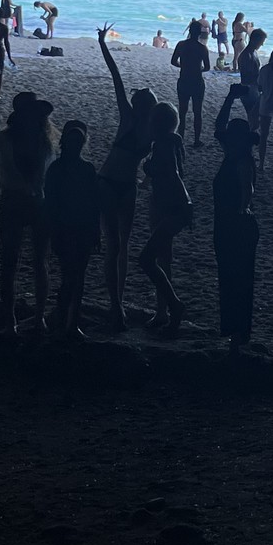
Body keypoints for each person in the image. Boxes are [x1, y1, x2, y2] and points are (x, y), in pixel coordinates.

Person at [0, 96, 56, 334]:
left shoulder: (19, 139)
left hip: (23, 201)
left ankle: (25, 319)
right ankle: (23, 319)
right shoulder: (39, 140)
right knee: (24, 262)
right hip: (28, 201)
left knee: (22, 262)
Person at [96, 22, 156, 332]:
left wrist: (147, 181)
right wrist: (102, 44)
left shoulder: (151, 131)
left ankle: (117, 301)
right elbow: (116, 77)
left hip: (127, 185)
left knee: (122, 246)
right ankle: (115, 304)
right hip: (108, 183)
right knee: (115, 244)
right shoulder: (130, 120)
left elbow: (155, 164)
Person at [213, 86, 260, 353]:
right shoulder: (232, 154)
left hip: (236, 225)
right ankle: (234, 332)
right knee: (229, 277)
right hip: (226, 223)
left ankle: (239, 333)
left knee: (238, 279)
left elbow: (247, 190)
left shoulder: (241, 161)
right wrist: (229, 98)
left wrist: (242, 208)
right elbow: (219, 126)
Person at [138, 101, 191, 334]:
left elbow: (173, 174)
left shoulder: (162, 146)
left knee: (148, 259)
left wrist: (185, 202)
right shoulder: (172, 142)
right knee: (163, 259)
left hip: (167, 206)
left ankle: (173, 305)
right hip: (164, 203)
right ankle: (163, 311)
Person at [45, 121, 100, 339]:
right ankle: (67, 320)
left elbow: (94, 203)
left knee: (75, 276)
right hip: (68, 228)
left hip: (78, 228)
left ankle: (69, 320)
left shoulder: (69, 169)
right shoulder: (69, 169)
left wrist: (96, 230)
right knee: (73, 276)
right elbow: (51, 204)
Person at [171, 18, 211, 146]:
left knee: (182, 111)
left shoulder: (181, 45)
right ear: (199, 33)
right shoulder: (202, 48)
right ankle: (196, 140)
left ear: (189, 31)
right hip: (197, 81)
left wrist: (183, 66)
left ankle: (181, 137)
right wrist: (198, 69)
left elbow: (173, 61)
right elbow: (207, 67)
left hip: (184, 79)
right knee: (197, 112)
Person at [238, 27, 268, 130]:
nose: (262, 44)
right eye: (261, 41)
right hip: (249, 90)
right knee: (254, 118)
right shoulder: (246, 55)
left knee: (255, 118)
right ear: (255, 40)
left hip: (254, 89)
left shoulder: (253, 53)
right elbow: (246, 78)